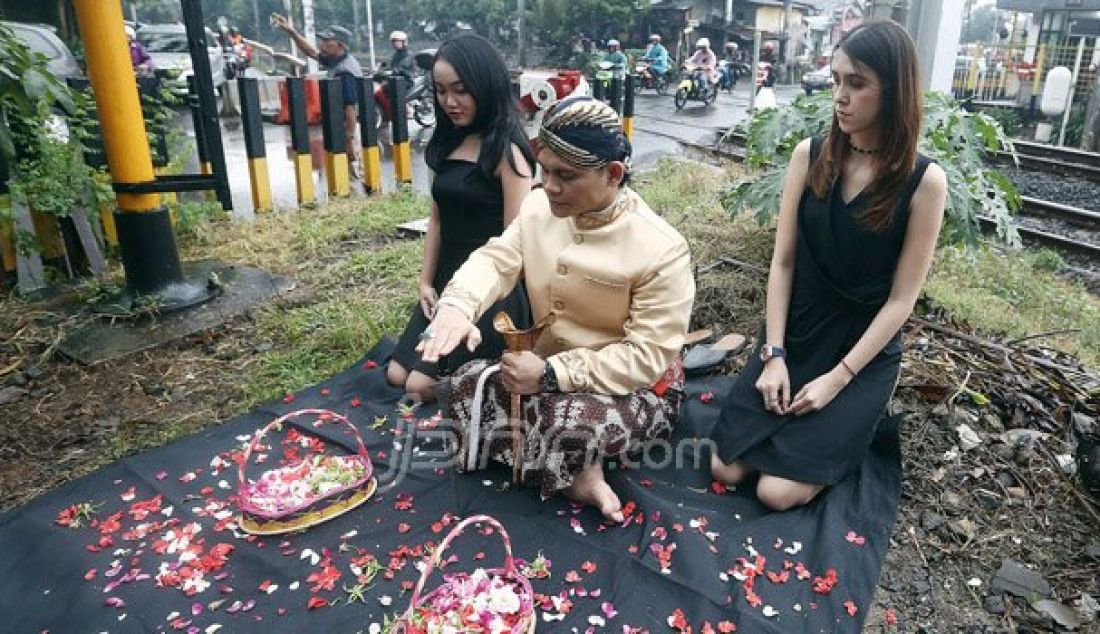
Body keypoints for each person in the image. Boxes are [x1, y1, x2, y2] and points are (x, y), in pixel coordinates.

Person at [417, 96, 695, 521]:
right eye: (544, 169)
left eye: (565, 175)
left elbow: (646, 359)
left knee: (569, 421)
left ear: (613, 174)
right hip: (547, 370)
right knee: (463, 386)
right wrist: (457, 304)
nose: (549, 185)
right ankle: (572, 464)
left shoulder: (662, 250)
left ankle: (578, 469)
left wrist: (550, 374)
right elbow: (496, 260)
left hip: (632, 385)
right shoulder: (538, 207)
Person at [708, 20, 947, 511]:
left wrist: (839, 379)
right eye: (836, 80)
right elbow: (783, 263)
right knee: (725, 467)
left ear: (895, 92)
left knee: (776, 492)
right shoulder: (810, 155)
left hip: (860, 353)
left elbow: (902, 301)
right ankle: (803, 429)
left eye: (856, 84)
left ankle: (848, 435)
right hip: (796, 333)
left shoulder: (924, 182)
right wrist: (773, 353)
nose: (839, 96)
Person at [386, 33, 536, 402]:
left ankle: (486, 380)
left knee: (418, 386)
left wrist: (476, 301)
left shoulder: (508, 152)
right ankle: (461, 370)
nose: (449, 102)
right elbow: (436, 220)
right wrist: (425, 283)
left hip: (489, 291)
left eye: (460, 90)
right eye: (439, 91)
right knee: (395, 374)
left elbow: (515, 244)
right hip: (444, 284)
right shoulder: (447, 143)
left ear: (485, 86)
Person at [272, 16, 361, 171]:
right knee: (340, 172)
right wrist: (291, 31)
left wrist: (349, 140)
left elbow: (350, 108)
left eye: (327, 41)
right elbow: (310, 51)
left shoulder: (345, 71)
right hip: (338, 126)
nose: (322, 45)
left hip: (346, 129)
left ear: (339, 45)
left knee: (352, 173)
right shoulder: (336, 60)